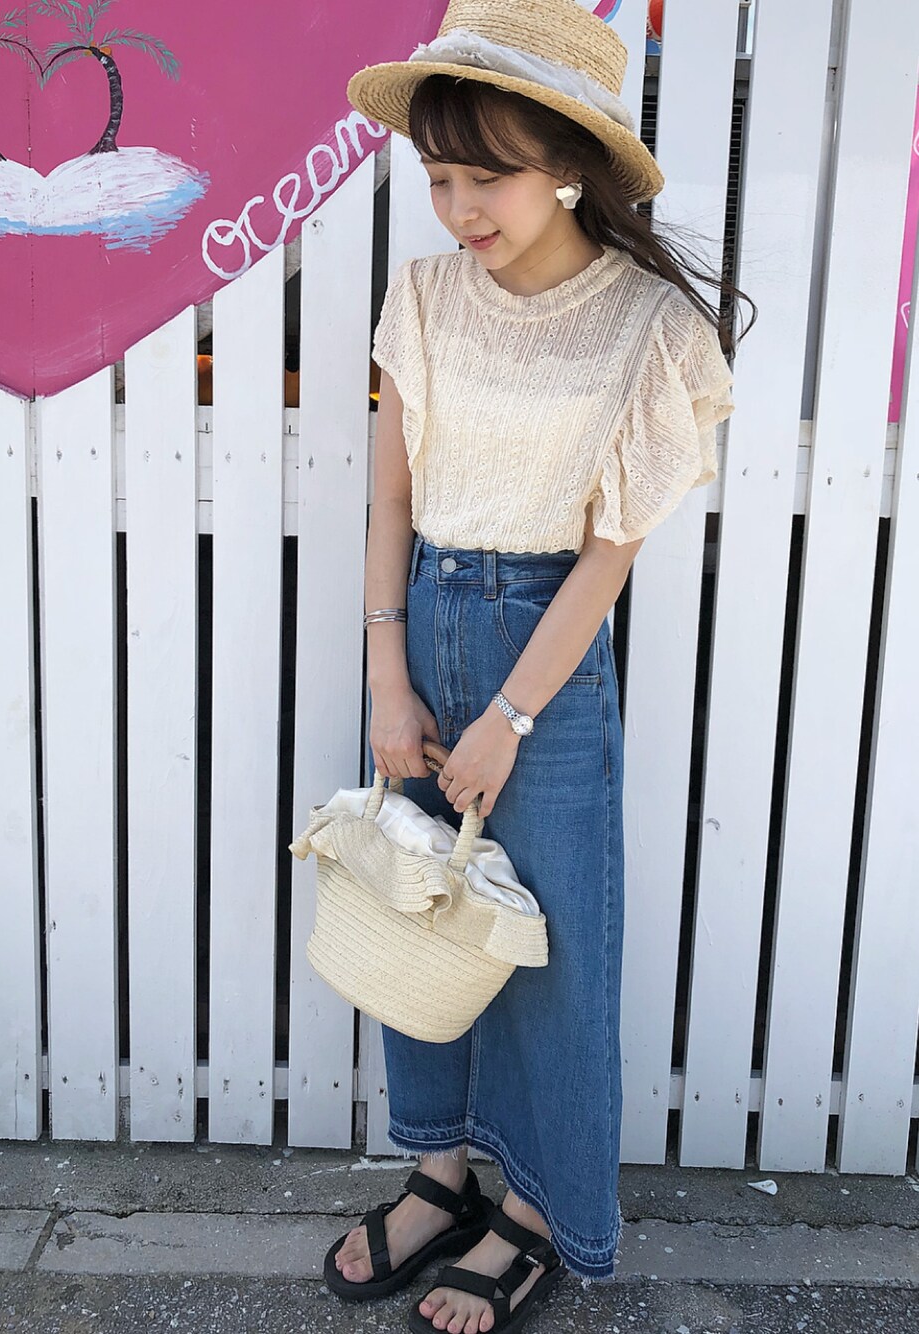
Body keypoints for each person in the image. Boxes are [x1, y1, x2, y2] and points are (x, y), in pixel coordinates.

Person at [325, 3, 755, 1332]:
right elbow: (392, 501)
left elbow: (608, 558)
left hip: (547, 656)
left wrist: (511, 713)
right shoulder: (424, 295)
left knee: (551, 953)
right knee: (419, 905)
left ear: (569, 161)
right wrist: (387, 676)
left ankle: (533, 1211)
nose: (458, 209)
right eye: (438, 177)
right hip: (424, 622)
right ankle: (441, 1172)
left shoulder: (651, 330)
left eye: (485, 177)